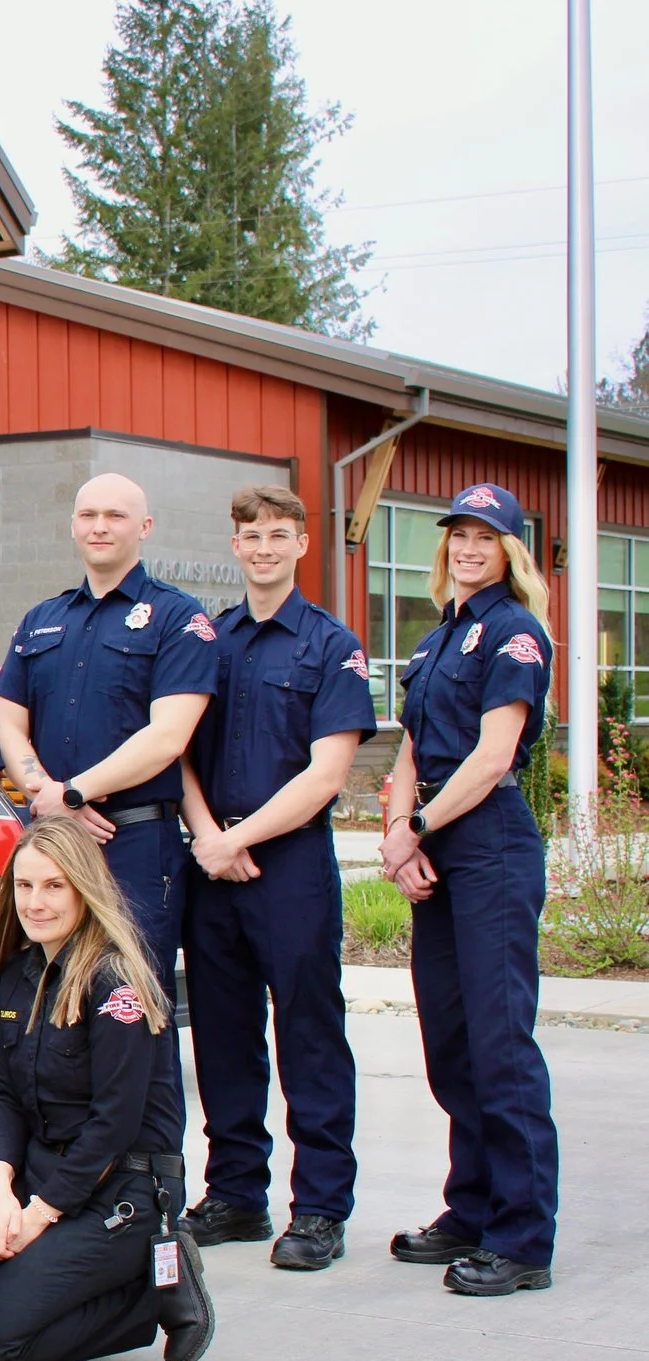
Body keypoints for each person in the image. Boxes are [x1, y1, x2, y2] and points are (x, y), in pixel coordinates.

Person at [0, 820, 216, 1361]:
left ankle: (143, 1298)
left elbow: (113, 1127)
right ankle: (32, 1295)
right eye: (25, 885)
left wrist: (39, 1215)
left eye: (55, 886)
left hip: (120, 1187)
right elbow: (5, 1097)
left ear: (85, 889)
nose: (35, 903)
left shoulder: (117, 983)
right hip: (42, 1163)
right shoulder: (20, 972)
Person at [176, 485, 374, 1272]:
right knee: (223, 1034)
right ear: (236, 546)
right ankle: (236, 1194)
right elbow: (177, 747)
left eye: (278, 535)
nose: (264, 547)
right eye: (251, 535)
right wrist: (208, 835)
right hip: (212, 858)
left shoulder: (330, 644)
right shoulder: (208, 640)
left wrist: (238, 839)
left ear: (301, 545)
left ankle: (320, 1207)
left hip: (288, 863)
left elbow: (327, 774)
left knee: (309, 1034)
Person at [379, 483, 558, 1296]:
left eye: (486, 537)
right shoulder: (438, 639)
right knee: (450, 1040)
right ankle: (473, 1207)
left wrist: (419, 825)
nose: (468, 548)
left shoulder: (515, 632)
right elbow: (412, 746)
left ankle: (521, 1238)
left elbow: (492, 757)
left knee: (499, 1044)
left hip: (490, 844)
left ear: (510, 549)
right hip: (437, 840)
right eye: (459, 534)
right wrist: (400, 828)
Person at [0, 473, 214, 985]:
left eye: (116, 516)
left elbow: (168, 737)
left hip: (134, 843)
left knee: (131, 999)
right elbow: (9, 720)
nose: (100, 527)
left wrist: (72, 793)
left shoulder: (177, 617)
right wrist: (45, 792)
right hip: (53, 843)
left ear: (145, 527)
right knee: (48, 995)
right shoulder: (41, 619)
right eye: (89, 515)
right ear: (73, 525)